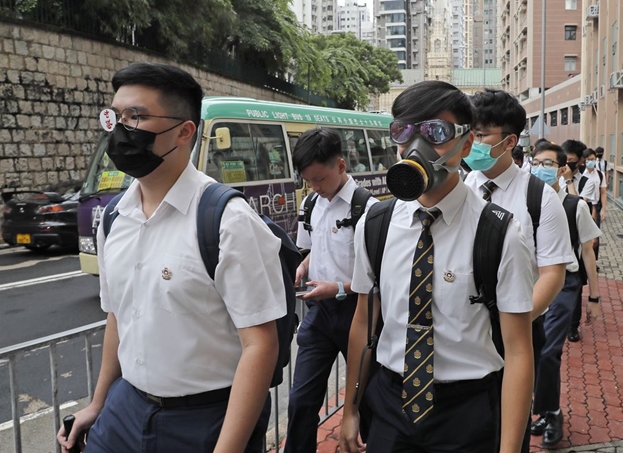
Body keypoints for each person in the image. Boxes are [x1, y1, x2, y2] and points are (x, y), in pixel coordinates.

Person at [57, 62, 285, 453]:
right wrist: (99, 403)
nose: (120, 129)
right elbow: (118, 316)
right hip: (125, 409)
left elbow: (260, 345)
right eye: (116, 116)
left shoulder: (226, 221)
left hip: (205, 418)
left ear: (184, 132)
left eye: (137, 116)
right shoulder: (114, 217)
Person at [340, 81, 535, 453]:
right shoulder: (376, 224)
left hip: (468, 412)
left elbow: (519, 351)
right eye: (404, 132)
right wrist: (350, 408)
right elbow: (364, 322)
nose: (417, 147)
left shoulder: (501, 233)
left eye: (437, 133)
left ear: (465, 145)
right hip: (389, 407)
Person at [463, 89, 573, 453]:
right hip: (462, 329)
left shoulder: (540, 197)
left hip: (518, 328)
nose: (471, 142)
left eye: (480, 135)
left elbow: (553, 272)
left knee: (507, 426)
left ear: (510, 141)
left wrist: (516, 320)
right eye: (469, 133)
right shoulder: (461, 189)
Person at [285, 128, 377, 453]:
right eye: (308, 181)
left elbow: (380, 278)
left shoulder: (369, 210)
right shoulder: (312, 204)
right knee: (300, 401)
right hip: (320, 317)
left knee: (366, 401)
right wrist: (303, 266)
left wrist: (338, 287)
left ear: (340, 165)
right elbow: (311, 249)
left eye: (320, 179)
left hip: (360, 315)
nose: (315, 187)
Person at [528, 143, 601, 447]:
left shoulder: (575, 205)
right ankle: (545, 409)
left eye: (547, 163)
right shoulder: (527, 201)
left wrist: (593, 298)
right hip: (531, 283)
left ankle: (553, 412)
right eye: (535, 162)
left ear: (561, 169)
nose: (539, 167)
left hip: (564, 285)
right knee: (535, 352)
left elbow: (587, 252)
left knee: (548, 351)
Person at [560, 140, 600, 342]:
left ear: (580, 160)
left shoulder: (588, 181)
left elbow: (578, 206)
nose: (567, 164)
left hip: (579, 237)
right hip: (559, 239)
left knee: (577, 282)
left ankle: (572, 326)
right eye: (564, 160)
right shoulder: (556, 178)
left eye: (571, 161)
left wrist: (569, 183)